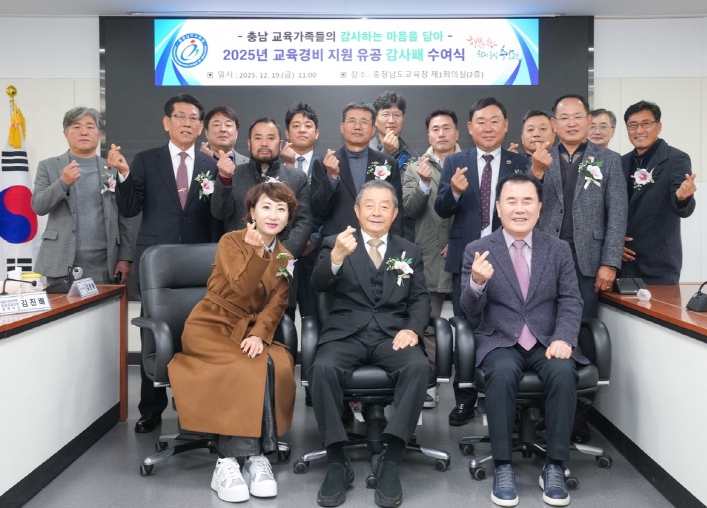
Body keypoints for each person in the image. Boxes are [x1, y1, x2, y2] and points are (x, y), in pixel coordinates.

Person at [460, 172, 586, 507]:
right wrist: (476, 282)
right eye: (511, 201)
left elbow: (571, 299)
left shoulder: (558, 249)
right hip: (500, 340)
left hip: (547, 340)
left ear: (540, 207)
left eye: (527, 201)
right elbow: (469, 310)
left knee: (563, 372)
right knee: (501, 374)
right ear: (498, 208)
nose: (519, 209)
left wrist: (564, 338)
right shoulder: (478, 250)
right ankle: (503, 465)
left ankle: (555, 465)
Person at [168, 183, 298, 504]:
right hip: (211, 325)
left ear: (288, 218)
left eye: (281, 209)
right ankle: (230, 461)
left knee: (273, 361)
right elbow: (241, 289)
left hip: (249, 329)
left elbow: (276, 305)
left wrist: (259, 334)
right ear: (251, 212)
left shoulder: (285, 256)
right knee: (243, 365)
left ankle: (254, 458)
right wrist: (256, 253)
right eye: (266, 207)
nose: (273, 215)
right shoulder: (231, 241)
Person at [309, 180, 431, 508]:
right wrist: (336, 257)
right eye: (370, 205)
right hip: (345, 334)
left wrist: (413, 329)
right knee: (322, 368)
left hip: (391, 335)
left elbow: (420, 298)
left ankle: (392, 457)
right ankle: (337, 460)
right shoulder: (336, 242)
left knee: (419, 366)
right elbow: (319, 284)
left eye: (384, 206)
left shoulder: (409, 251)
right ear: (357, 210)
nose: (377, 211)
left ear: (394, 213)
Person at [108, 93, 223, 434]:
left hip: (200, 265)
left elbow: (217, 215)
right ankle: (151, 408)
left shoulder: (212, 165)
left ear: (200, 126)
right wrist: (124, 174)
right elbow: (130, 208)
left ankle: (199, 404)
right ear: (166, 122)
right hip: (157, 264)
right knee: (154, 334)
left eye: (193, 118)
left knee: (202, 333)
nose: (187, 123)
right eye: (180, 116)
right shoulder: (146, 160)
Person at [529, 94, 627, 443]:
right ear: (554, 124)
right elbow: (522, 203)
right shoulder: (539, 157)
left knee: (582, 334)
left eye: (578, 117)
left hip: (587, 261)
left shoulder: (609, 161)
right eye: (564, 118)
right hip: (544, 260)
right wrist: (535, 172)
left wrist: (609, 262)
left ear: (588, 121)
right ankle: (542, 411)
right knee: (542, 330)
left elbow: (617, 214)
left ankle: (578, 416)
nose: (571, 123)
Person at [434, 97, 526, 426]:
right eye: (481, 122)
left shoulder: (521, 163)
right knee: (466, 331)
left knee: (508, 327)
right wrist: (454, 192)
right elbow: (441, 209)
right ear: (471, 128)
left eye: (494, 121)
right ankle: (465, 399)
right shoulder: (455, 161)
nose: (488, 127)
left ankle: (505, 397)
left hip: (511, 256)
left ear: (505, 125)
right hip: (467, 255)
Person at [32, 107, 138, 284]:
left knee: (106, 303)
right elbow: (38, 206)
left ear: (99, 133)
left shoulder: (112, 169)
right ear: (65, 133)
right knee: (60, 303)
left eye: (90, 126)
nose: (84, 132)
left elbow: (125, 215)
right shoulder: (48, 166)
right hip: (60, 261)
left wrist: (125, 257)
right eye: (76, 127)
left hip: (105, 263)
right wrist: (62, 183)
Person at [403, 108, 460, 408]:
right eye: (435, 129)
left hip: (468, 255)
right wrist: (424, 185)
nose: (441, 133)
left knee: (473, 323)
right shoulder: (415, 168)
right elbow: (409, 211)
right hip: (428, 255)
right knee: (427, 324)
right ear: (428, 135)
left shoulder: (471, 163)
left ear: (457, 133)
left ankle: (471, 390)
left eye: (446, 128)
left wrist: (459, 243)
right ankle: (430, 383)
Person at [210, 118, 312, 259]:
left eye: (270, 138)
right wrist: (225, 179)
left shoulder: (297, 177)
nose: (264, 143)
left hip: (282, 263)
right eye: (258, 138)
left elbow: (304, 222)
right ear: (249, 144)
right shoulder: (234, 174)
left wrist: (281, 255)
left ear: (280, 144)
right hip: (238, 260)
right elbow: (219, 213)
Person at [621, 100, 697, 284]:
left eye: (646, 124)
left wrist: (682, 197)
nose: (639, 131)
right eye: (633, 125)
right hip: (623, 262)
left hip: (658, 264)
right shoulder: (621, 162)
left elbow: (681, 206)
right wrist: (613, 244)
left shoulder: (675, 159)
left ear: (659, 126)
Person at [310, 102, 402, 239]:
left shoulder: (388, 163)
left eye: (364, 122)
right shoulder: (324, 163)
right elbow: (317, 210)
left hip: (376, 240)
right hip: (336, 240)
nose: (357, 127)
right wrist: (331, 177)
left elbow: (396, 212)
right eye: (352, 121)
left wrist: (395, 245)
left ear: (373, 129)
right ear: (342, 127)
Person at [280, 103, 323, 325]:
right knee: (280, 315)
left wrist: (314, 239)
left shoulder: (328, 166)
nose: (302, 130)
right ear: (287, 133)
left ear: (317, 133)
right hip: (280, 251)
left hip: (314, 253)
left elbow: (333, 210)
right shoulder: (274, 167)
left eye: (308, 125)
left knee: (314, 317)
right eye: (296, 125)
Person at [369, 91, 419, 180]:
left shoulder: (413, 156)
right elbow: (368, 184)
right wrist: (387, 152)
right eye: (385, 114)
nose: (391, 120)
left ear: (403, 119)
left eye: (397, 115)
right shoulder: (365, 152)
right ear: (375, 120)